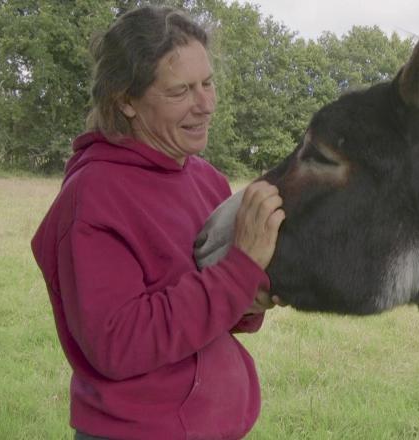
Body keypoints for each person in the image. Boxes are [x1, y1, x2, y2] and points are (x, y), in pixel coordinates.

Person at [31, 6, 284, 439]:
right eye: (180, 91)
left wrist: (251, 296)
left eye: (207, 83)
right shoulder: (93, 196)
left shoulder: (206, 178)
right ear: (125, 100)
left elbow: (212, 307)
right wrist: (238, 270)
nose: (205, 105)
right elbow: (118, 344)